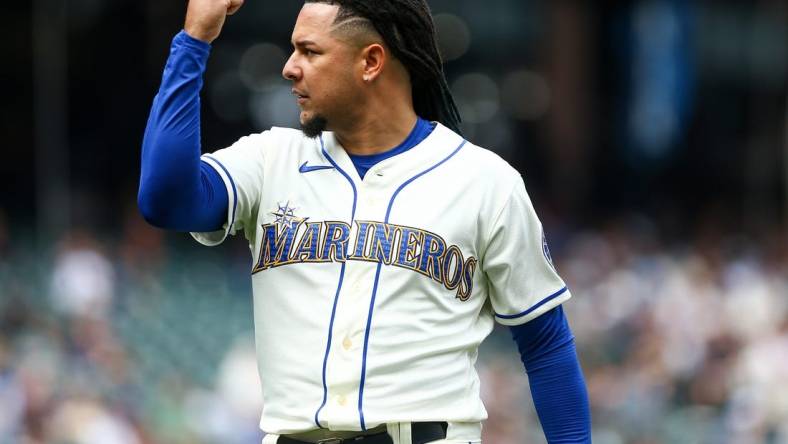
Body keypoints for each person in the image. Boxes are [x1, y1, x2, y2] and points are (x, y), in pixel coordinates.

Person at [138, 0, 592, 443]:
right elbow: (164, 200)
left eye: (309, 51)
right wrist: (194, 39)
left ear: (371, 61)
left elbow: (546, 346)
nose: (289, 67)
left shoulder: (484, 181)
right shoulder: (269, 159)